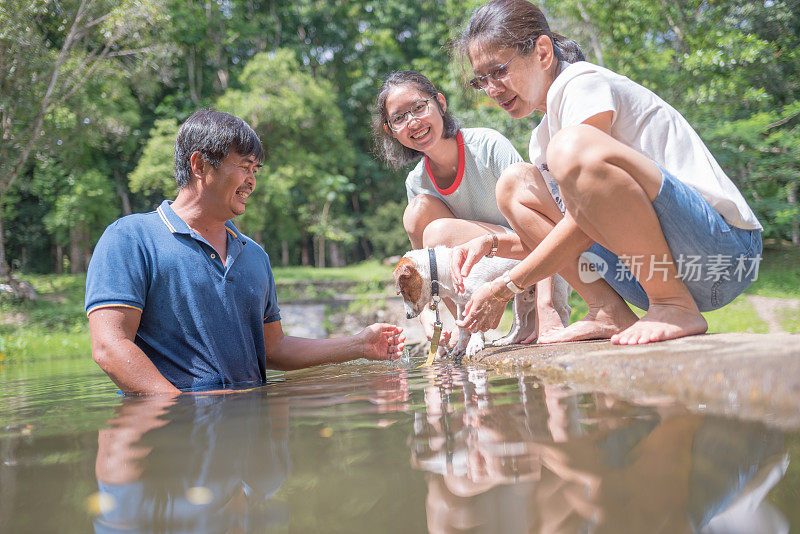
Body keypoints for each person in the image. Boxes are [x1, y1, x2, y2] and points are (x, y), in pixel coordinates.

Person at [449, 0, 762, 345]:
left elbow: (582, 224)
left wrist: (504, 287)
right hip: (649, 276)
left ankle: (673, 303)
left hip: (723, 253)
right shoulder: (543, 140)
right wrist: (495, 244)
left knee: (570, 147)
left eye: (500, 71)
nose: (493, 90)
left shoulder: (581, 82)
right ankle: (608, 309)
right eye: (482, 80)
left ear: (542, 51)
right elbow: (580, 224)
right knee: (514, 186)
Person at [85, 109, 405, 395]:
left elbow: (272, 349)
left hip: (251, 436)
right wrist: (179, 409)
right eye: (244, 166)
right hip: (173, 441)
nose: (251, 182)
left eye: (256, 170)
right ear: (199, 165)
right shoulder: (130, 238)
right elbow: (110, 345)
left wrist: (360, 344)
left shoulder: (254, 256)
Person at [372, 70, 569, 345]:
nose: (412, 122)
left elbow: (545, 226)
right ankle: (466, 328)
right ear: (390, 130)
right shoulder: (417, 182)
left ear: (440, 103)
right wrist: (427, 317)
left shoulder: (488, 146)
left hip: (540, 257)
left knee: (436, 235)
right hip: (481, 269)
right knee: (417, 214)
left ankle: (534, 310)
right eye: (399, 118)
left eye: (418, 108)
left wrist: (546, 309)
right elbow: (425, 264)